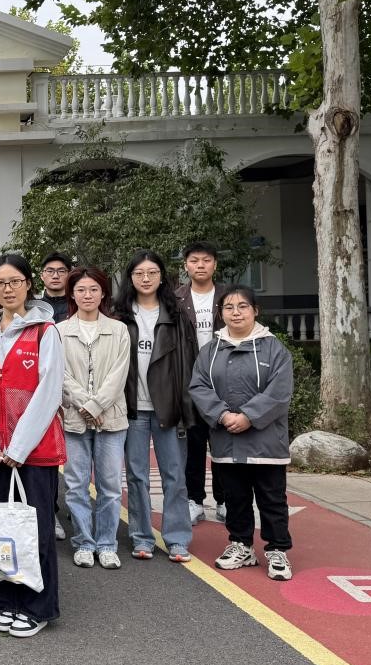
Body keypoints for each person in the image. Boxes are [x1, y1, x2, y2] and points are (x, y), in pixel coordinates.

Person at [0, 254, 65, 638]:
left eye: (15, 281)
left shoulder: (45, 331)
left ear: (28, 284)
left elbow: (48, 392)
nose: (8, 289)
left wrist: (18, 448)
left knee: (35, 530)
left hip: (33, 452)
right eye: (0, 283)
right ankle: (7, 601)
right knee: (1, 530)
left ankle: (38, 607)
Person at [189, 286, 295, 581]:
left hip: (266, 442)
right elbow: (199, 386)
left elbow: (280, 391)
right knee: (235, 497)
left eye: (243, 306)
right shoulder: (211, 351)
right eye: (229, 307)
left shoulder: (274, 349)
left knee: (272, 498)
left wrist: (249, 416)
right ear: (221, 313)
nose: (236, 313)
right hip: (227, 439)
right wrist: (222, 415)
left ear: (255, 311)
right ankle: (241, 545)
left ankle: (277, 549)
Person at [115, 250, 197, 563]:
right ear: (130, 278)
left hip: (169, 407)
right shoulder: (120, 316)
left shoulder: (176, 315)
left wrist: (187, 409)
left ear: (162, 277)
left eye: (152, 272)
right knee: (137, 476)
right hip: (133, 408)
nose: (146, 278)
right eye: (139, 273)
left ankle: (177, 538)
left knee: (174, 476)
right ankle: (142, 537)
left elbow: (189, 365)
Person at [58, 267, 130, 570]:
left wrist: (97, 405)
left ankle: (107, 544)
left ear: (103, 294)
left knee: (110, 486)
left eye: (93, 289)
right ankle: (84, 543)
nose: (87, 295)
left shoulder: (119, 330)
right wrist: (85, 405)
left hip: (111, 418)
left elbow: (119, 374)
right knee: (76, 484)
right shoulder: (59, 331)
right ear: (72, 295)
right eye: (81, 290)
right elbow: (60, 375)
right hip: (74, 418)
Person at [176, 240, 228, 525]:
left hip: (224, 380)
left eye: (206, 260)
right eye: (194, 260)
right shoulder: (176, 299)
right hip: (191, 380)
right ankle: (194, 500)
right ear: (186, 265)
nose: (200, 265)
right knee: (194, 445)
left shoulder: (228, 296)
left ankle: (224, 500)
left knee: (223, 443)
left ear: (215, 265)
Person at [38, 252, 72, 321]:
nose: (55, 276)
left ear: (69, 274)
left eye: (61, 271)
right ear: (42, 276)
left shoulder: (78, 306)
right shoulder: (34, 308)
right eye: (50, 271)